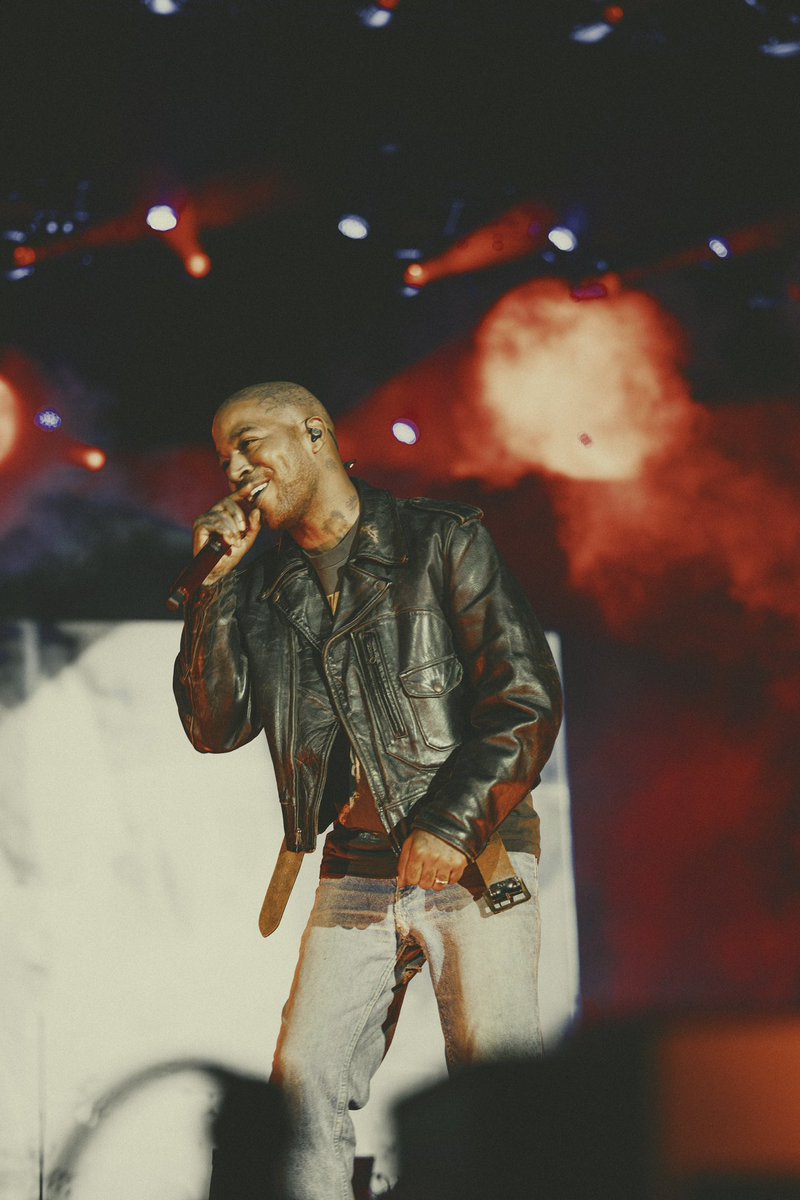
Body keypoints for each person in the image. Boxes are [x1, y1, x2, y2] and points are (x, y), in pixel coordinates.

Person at [173, 381, 563, 1200]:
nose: (237, 468)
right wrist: (212, 592)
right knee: (300, 1086)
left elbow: (525, 697)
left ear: (314, 433)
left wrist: (451, 824)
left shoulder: (440, 540)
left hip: (473, 858)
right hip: (353, 869)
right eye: (224, 458)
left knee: (496, 1093)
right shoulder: (263, 585)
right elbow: (215, 727)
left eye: (250, 443)